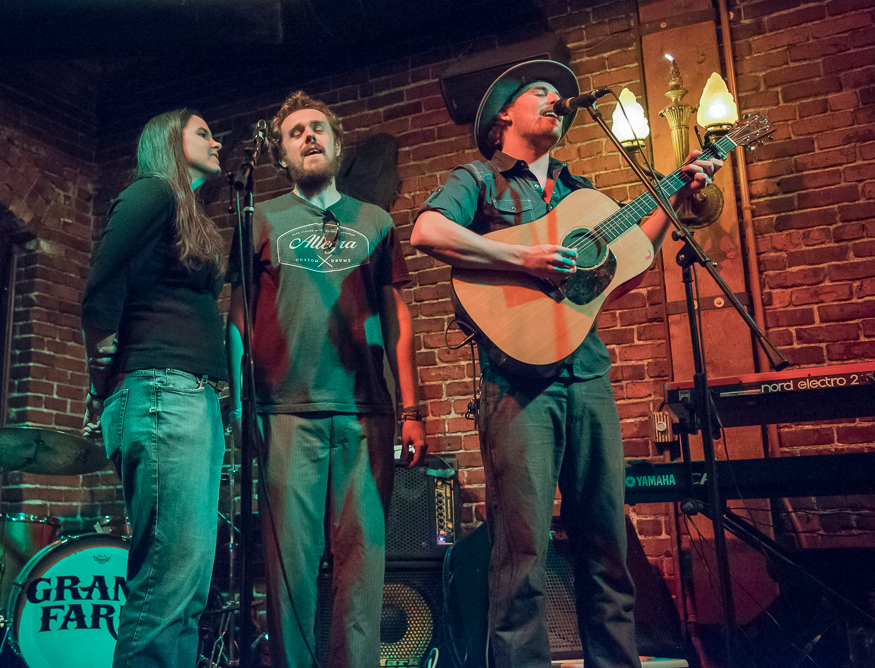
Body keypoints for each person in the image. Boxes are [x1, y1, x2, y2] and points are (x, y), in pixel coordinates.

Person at [411, 60, 723, 667]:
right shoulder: (479, 180)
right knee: (522, 552)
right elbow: (427, 231)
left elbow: (625, 267)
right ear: (503, 114)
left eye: (560, 94)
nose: (557, 98)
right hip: (516, 385)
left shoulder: (582, 195)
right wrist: (520, 258)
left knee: (607, 544)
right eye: (540, 91)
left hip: (588, 375)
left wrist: (673, 197)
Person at [227, 91, 426, 668]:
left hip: (366, 412)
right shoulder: (259, 219)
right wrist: (239, 404)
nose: (308, 137)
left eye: (318, 128)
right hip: (284, 411)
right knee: (289, 570)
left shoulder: (376, 221)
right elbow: (238, 318)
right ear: (281, 155)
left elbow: (396, 318)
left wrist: (412, 408)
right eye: (295, 132)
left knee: (363, 566)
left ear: (337, 145)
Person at [81, 108, 228, 668]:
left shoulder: (185, 211)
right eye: (202, 133)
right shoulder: (152, 193)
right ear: (170, 140)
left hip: (186, 396)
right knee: (167, 584)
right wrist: (100, 372)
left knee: (187, 586)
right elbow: (102, 282)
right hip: (164, 391)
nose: (216, 142)